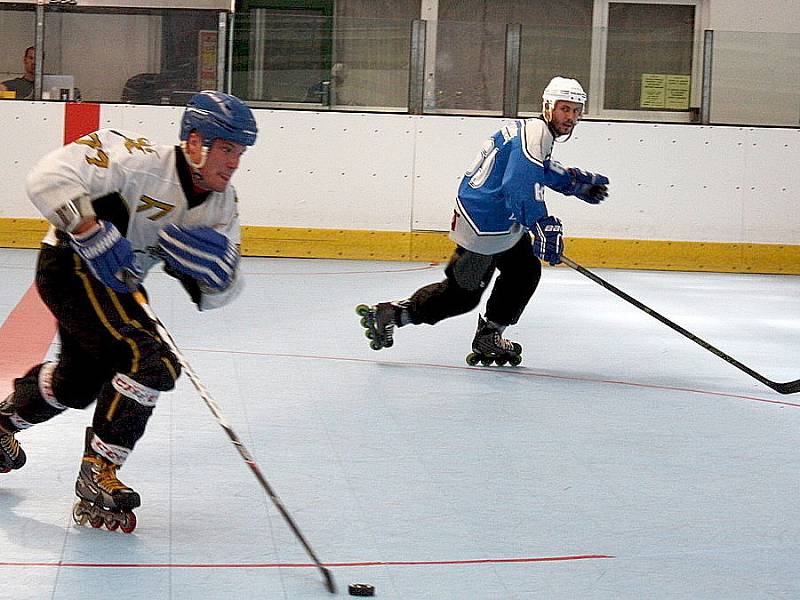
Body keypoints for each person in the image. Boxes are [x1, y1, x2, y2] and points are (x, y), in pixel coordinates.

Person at [0, 90, 257, 532]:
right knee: (149, 360)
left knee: (77, 385)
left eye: (240, 152)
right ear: (194, 142)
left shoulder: (222, 205)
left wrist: (217, 274)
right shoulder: (135, 158)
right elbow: (45, 176)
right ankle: (98, 471)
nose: (233, 162)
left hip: (119, 284)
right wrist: (88, 227)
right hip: (69, 266)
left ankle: (2, 422)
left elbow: (221, 292)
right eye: (226, 148)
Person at [357, 77, 609, 366]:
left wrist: (576, 184)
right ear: (547, 106)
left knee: (524, 272)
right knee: (460, 296)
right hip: (485, 226)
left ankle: (490, 333)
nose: (571, 118)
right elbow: (518, 184)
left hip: (496, 219)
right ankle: (393, 314)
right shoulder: (536, 134)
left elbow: (539, 170)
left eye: (576, 111)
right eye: (565, 109)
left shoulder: (533, 130)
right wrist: (541, 224)